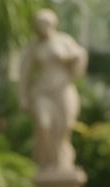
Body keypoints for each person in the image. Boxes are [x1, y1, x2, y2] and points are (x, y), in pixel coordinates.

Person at [19, 9, 87, 172]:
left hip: (62, 89)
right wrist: (23, 97)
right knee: (44, 125)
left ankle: (62, 162)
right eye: (39, 23)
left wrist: (69, 57)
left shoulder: (64, 40)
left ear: (53, 23)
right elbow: (24, 74)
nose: (43, 27)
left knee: (65, 127)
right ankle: (46, 163)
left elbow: (81, 56)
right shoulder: (34, 46)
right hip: (42, 92)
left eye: (46, 23)